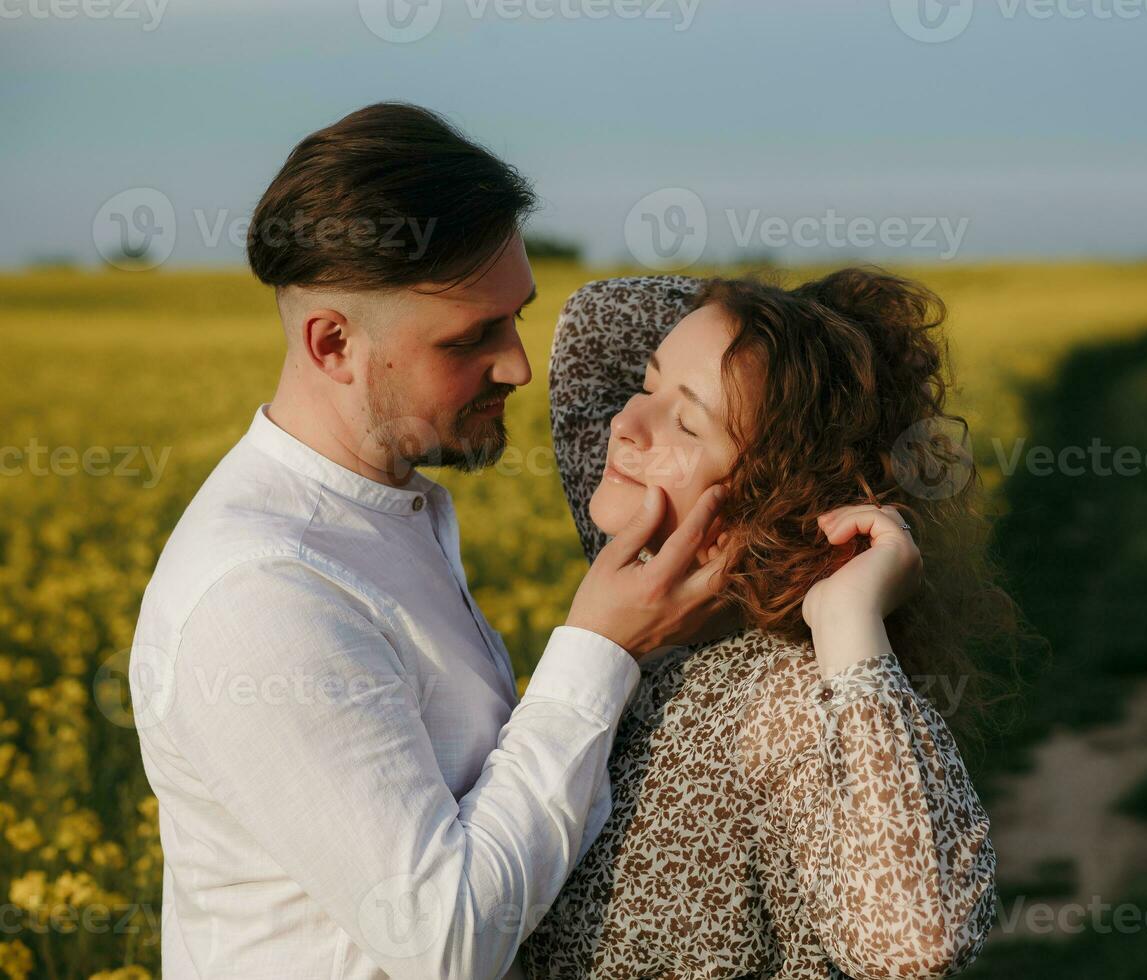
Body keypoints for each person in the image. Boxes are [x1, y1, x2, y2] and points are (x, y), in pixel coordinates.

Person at [128, 103, 732, 979]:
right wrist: (600, 648)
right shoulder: (262, 594)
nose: (520, 365)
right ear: (333, 344)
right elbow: (446, 940)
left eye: (516, 316)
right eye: (472, 337)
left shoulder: (382, 516)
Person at [519, 269, 1007, 978]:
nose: (624, 424)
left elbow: (914, 944)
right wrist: (790, 319)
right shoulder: (646, 627)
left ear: (772, 501)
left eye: (686, 423)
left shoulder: (782, 701)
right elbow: (598, 323)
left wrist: (847, 615)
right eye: (647, 384)